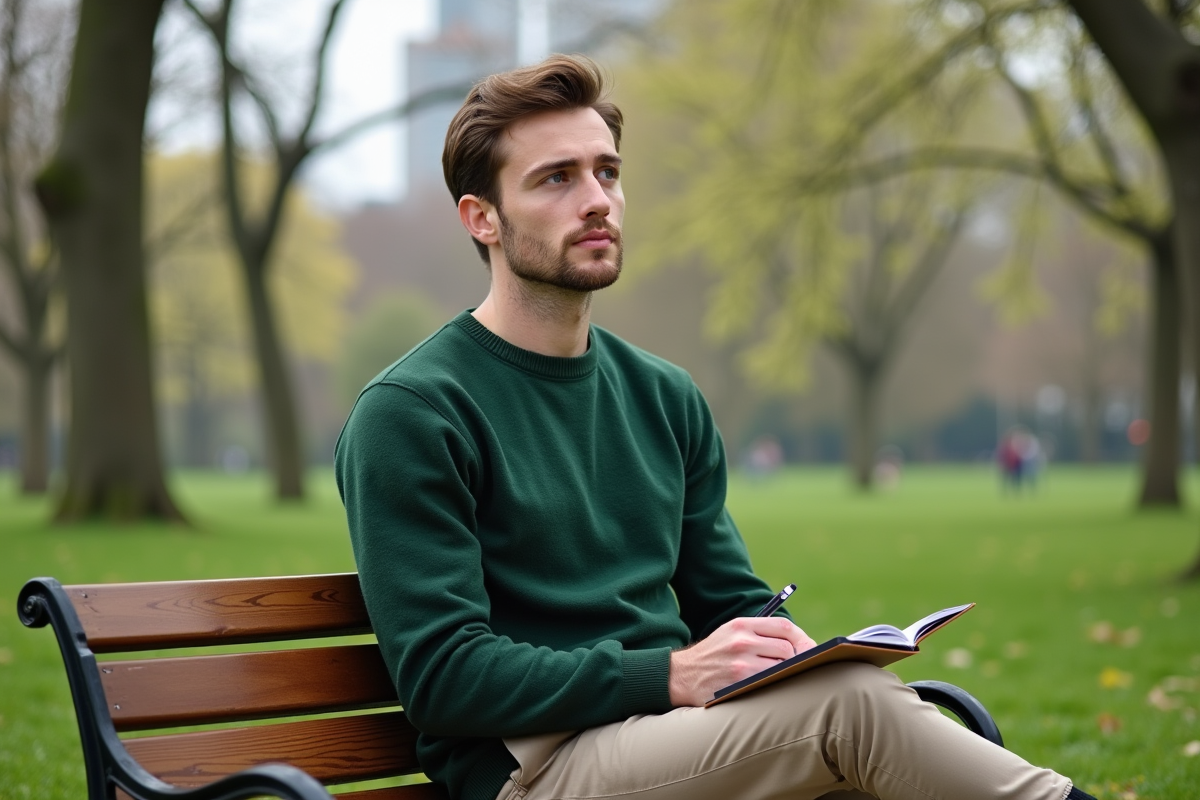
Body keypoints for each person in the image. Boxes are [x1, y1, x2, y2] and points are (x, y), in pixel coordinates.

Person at [335, 55, 1094, 800]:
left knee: (855, 712)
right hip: (535, 767)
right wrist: (668, 674)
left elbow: (727, 594)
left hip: (680, 733)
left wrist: (795, 648)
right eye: (556, 178)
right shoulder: (413, 412)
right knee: (852, 717)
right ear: (482, 218)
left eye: (607, 171)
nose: (596, 199)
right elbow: (444, 678)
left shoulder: (662, 394)